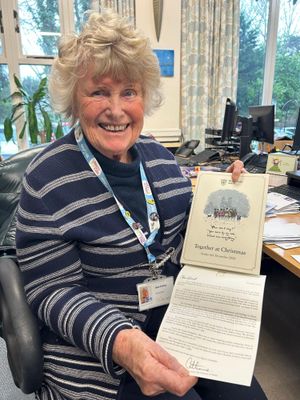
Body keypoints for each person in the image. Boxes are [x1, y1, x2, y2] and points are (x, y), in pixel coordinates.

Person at [16, 10, 245, 400]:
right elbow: (52, 291)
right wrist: (122, 342)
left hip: (176, 327)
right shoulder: (46, 179)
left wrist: (229, 195)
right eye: (99, 92)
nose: (117, 110)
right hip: (96, 351)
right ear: (74, 99)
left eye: (129, 92)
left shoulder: (161, 160)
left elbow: (189, 241)